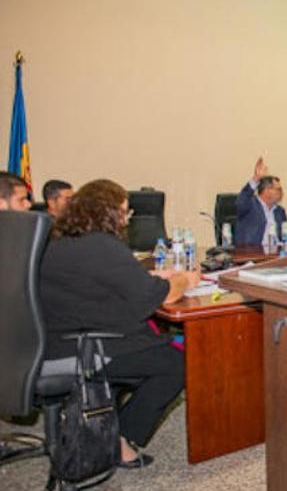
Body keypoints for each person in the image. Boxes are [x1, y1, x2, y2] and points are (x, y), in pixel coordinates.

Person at [39, 179, 200, 469]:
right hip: (86, 349)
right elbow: (155, 296)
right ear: (109, 213)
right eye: (125, 212)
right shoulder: (102, 245)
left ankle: (106, 425)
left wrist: (154, 280)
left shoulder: (56, 239)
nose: (127, 220)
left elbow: (102, 285)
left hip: (51, 343)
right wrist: (182, 280)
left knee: (150, 345)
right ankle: (119, 437)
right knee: (178, 363)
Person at [234, 157, 287, 247]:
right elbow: (240, 203)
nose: (281, 192)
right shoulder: (250, 205)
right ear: (266, 190)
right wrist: (255, 179)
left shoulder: (279, 211)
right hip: (253, 255)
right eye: (278, 189)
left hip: (277, 255)